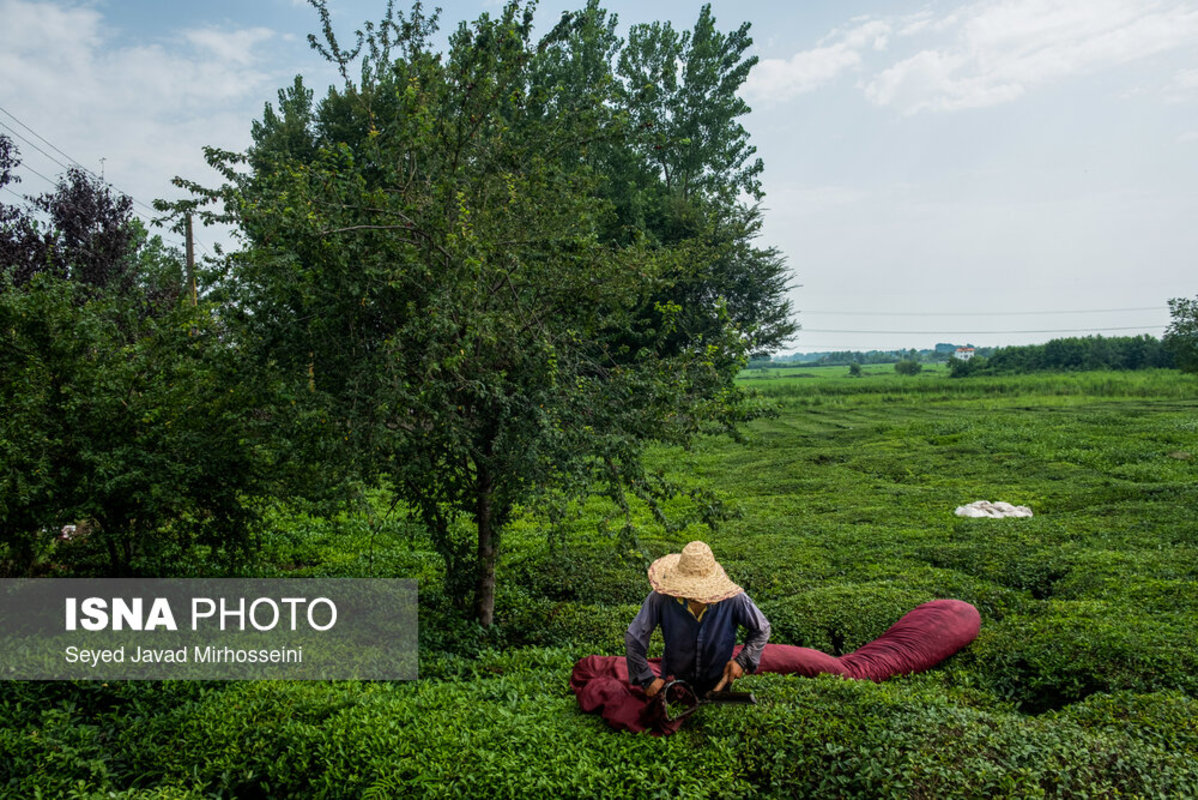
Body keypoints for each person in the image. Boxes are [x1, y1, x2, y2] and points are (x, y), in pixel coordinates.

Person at [625, 540, 771, 698]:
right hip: (675, 684)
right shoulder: (661, 598)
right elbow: (634, 637)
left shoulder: (734, 599)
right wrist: (647, 679)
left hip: (717, 682)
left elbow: (761, 629)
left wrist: (742, 661)